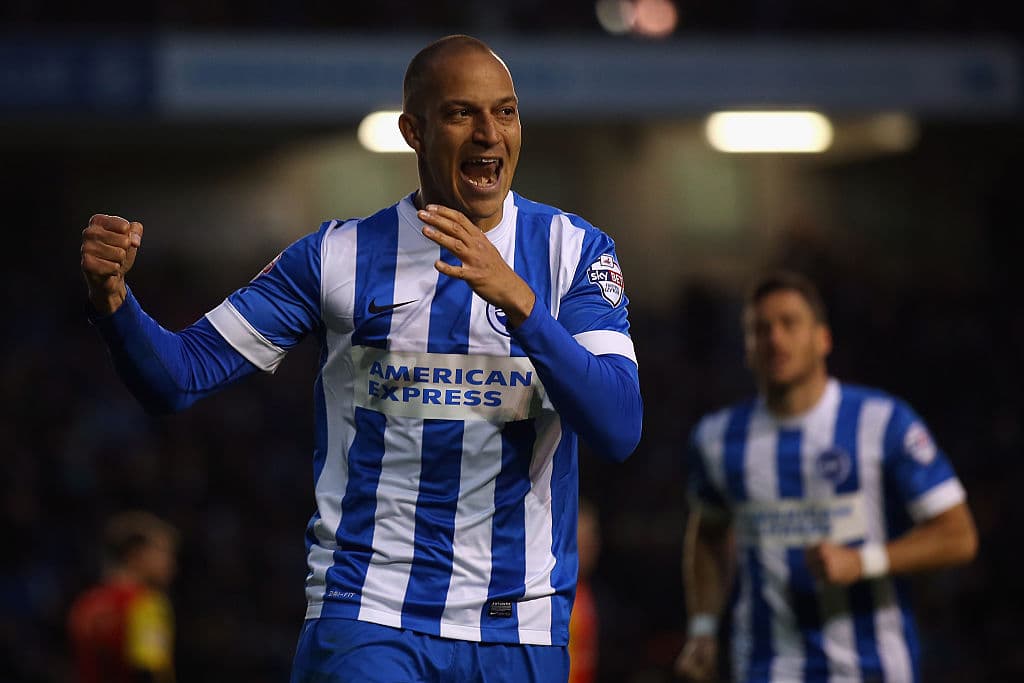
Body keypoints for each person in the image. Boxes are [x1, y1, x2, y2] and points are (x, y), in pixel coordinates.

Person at [80, 34, 642, 683]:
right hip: (368, 617)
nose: (490, 133)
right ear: (414, 129)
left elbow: (619, 426)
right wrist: (114, 300)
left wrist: (522, 305)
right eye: (463, 113)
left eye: (506, 111)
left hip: (518, 626)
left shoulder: (575, 252)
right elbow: (177, 376)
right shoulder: (334, 257)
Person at [673, 271, 977, 683]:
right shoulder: (716, 438)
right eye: (760, 329)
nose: (775, 339)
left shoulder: (882, 422)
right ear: (746, 348)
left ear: (823, 338)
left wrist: (863, 560)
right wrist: (704, 630)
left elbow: (958, 536)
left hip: (874, 667)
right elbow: (707, 536)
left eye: (789, 323)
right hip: (765, 667)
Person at [68, 511, 178, 683]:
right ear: (137, 554)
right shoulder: (145, 604)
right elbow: (148, 671)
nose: (171, 564)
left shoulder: (85, 605)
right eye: (164, 553)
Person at [568, 499, 601, 683]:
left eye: (593, 539)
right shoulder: (553, 596)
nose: (591, 547)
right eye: (583, 542)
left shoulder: (589, 592)